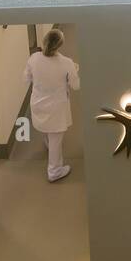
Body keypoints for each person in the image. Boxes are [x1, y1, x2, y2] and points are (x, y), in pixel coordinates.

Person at [23, 28, 81, 182]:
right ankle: (54, 171)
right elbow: (76, 86)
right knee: (56, 139)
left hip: (38, 103)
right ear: (60, 45)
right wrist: (74, 70)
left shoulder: (34, 58)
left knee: (46, 129)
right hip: (56, 108)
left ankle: (48, 142)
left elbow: (26, 78)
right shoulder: (67, 63)